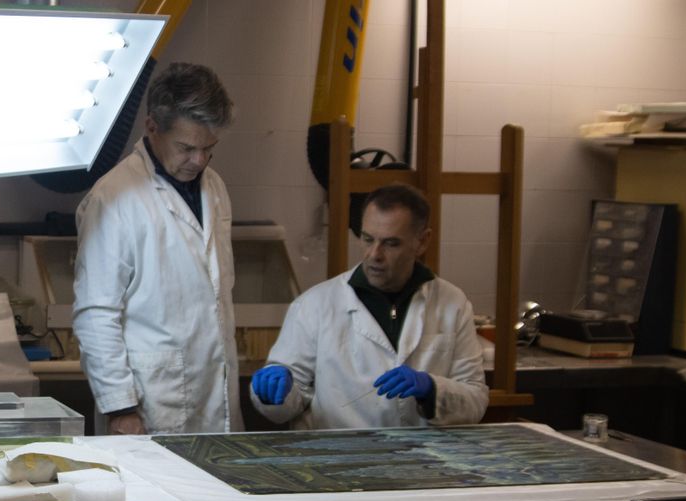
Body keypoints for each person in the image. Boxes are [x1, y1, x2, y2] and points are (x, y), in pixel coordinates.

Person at [72, 62, 242, 435]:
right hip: (149, 405)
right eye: (186, 147)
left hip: (215, 395)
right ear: (152, 126)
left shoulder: (214, 187)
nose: (199, 161)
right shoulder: (114, 197)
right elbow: (96, 313)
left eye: (208, 148)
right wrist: (121, 408)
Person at [250, 183, 488, 429]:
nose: (375, 254)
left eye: (391, 243)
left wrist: (431, 389)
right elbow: (286, 407)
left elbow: (475, 401)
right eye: (367, 239)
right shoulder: (315, 305)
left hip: (422, 452)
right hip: (339, 450)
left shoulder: (451, 303)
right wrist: (274, 393)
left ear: (422, 241)